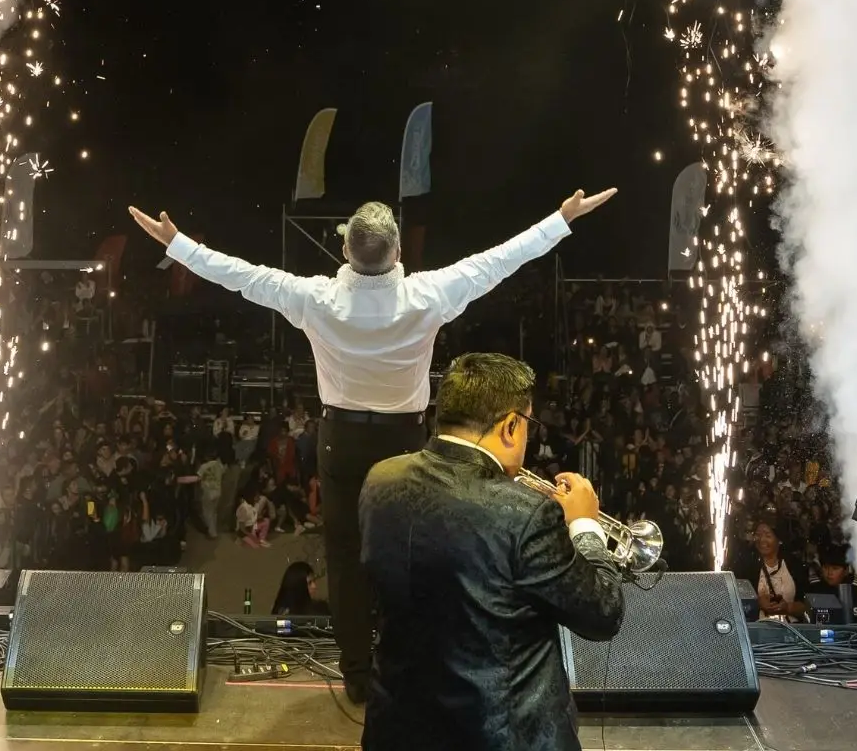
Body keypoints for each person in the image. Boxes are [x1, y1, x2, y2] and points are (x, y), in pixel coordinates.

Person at [130, 186, 617, 702]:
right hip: (406, 439)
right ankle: (406, 666)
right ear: (399, 251)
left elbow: (241, 277)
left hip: (340, 438)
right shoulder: (430, 294)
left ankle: (359, 677)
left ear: (345, 251)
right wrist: (561, 219)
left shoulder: (314, 298)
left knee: (344, 558)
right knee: (411, 552)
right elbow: (499, 261)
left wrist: (177, 243)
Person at [358, 353, 624, 751]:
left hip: (396, 729)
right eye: (528, 424)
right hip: (503, 737)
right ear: (511, 425)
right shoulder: (528, 513)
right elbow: (603, 612)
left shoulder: (380, 480)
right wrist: (583, 524)